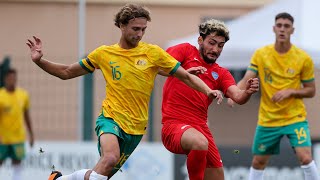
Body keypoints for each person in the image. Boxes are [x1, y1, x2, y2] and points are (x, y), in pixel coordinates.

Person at [26, 3, 225, 180]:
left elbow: (186, 76)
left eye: (143, 30)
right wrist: (40, 61)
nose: (139, 34)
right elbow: (66, 72)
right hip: (111, 119)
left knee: (102, 172)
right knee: (110, 157)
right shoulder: (104, 54)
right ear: (122, 26)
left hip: (136, 128)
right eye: (135, 29)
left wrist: (209, 91)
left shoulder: (153, 53)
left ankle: (59, 179)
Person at [160, 19, 259, 180]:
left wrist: (247, 91)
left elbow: (238, 97)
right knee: (199, 143)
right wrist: (183, 73)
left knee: (217, 176)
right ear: (200, 40)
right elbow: (160, 66)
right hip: (173, 126)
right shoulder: (185, 50)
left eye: (220, 45)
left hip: (201, 129)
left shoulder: (221, 73)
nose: (215, 49)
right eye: (212, 43)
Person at [228, 12, 320, 180]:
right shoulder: (261, 54)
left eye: (286, 26)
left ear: (293, 30)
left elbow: (311, 90)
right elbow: (248, 78)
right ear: (274, 28)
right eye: (279, 25)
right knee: (258, 162)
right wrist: (234, 92)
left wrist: (291, 91)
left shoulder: (303, 58)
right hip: (268, 118)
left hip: (295, 117)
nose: (282, 29)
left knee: (306, 157)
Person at [0, 68, 34, 180]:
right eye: (10, 78)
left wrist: (31, 134)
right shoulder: (1, 96)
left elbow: (26, 116)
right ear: (5, 79)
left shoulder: (23, 95)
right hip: (3, 138)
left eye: (14, 78)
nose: (12, 81)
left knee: (17, 164)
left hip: (18, 138)